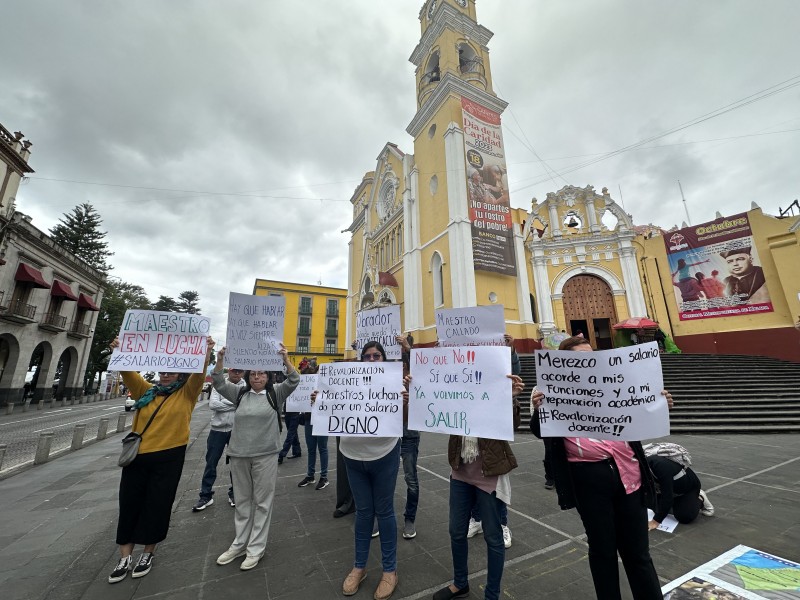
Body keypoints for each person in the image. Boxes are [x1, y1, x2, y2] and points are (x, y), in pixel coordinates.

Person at [530, 336, 674, 600]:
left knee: (638, 553)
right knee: (603, 550)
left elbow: (641, 411)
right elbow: (540, 432)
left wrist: (658, 404)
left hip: (629, 476)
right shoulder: (552, 390)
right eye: (581, 357)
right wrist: (540, 410)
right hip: (588, 482)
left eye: (591, 355)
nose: (590, 360)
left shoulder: (617, 381)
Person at [107, 335, 214, 584]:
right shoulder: (145, 391)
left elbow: (198, 376)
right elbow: (127, 371)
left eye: (171, 373)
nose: (165, 375)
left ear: (179, 376)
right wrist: (118, 350)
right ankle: (124, 557)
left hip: (169, 457)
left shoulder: (187, 394)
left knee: (158, 504)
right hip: (138, 457)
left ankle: (148, 553)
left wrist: (206, 352)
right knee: (130, 503)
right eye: (163, 372)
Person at [433, 372, 525, 600]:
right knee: (456, 531)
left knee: (493, 537)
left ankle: (492, 594)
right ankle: (460, 583)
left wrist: (510, 398)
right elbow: (433, 408)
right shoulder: (454, 383)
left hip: (490, 472)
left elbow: (512, 425)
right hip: (460, 469)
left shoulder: (496, 381)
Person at [213, 344, 299, 571]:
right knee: (242, 501)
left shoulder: (276, 393)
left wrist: (285, 359)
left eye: (261, 373)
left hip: (266, 456)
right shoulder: (239, 393)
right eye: (253, 374)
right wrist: (220, 359)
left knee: (262, 503)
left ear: (268, 376)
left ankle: (256, 549)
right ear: (248, 376)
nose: (257, 377)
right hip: (239, 455)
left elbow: (294, 380)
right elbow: (219, 382)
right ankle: (239, 543)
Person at [338, 341, 401, 600]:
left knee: (384, 512)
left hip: (384, 453)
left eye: (377, 356)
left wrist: (405, 401)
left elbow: (405, 419)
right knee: (363, 513)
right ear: (361, 360)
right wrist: (319, 402)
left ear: (384, 359)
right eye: (367, 356)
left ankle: (390, 570)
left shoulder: (395, 382)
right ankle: (359, 567)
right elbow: (329, 409)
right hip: (352, 455)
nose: (372, 360)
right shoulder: (345, 382)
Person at [193, 367, 246, 511]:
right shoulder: (219, 384)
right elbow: (213, 404)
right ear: (229, 371)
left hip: (237, 430)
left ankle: (234, 493)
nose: (237, 373)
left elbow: (244, 406)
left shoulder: (245, 386)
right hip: (217, 429)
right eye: (234, 370)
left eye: (240, 371)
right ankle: (205, 495)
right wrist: (234, 404)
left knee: (237, 463)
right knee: (211, 462)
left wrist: (228, 404)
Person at [644, 447, 714, 528]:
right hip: (668, 487)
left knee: (685, 517)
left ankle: (700, 498)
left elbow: (667, 497)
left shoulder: (660, 466)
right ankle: (676, 504)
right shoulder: (636, 469)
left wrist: (655, 522)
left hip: (687, 489)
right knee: (650, 505)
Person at [297, 363, 329, 491]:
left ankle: (324, 477)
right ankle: (310, 475)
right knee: (311, 448)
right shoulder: (308, 384)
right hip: (309, 418)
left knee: (322, 448)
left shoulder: (328, 386)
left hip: (322, 419)